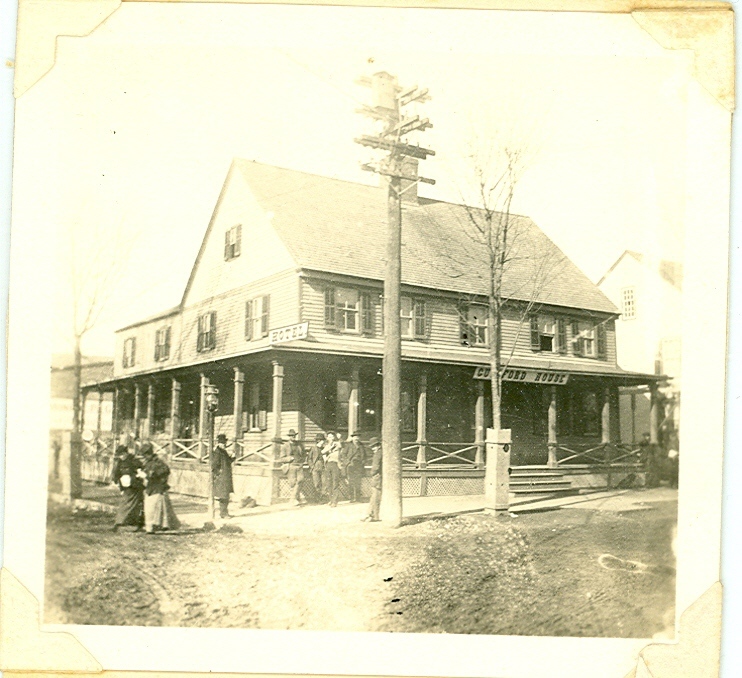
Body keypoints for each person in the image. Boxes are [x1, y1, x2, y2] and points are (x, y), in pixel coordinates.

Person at [140, 443, 180, 534]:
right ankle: (151, 527)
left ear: (149, 454)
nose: (145, 457)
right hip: (150, 488)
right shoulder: (148, 462)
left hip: (157, 488)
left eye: (146, 455)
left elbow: (165, 471)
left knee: (154, 509)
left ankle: (153, 527)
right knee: (149, 509)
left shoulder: (158, 462)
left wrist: (150, 475)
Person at [111, 445, 144, 532]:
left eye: (122, 454)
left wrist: (135, 477)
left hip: (135, 486)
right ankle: (119, 523)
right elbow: (116, 474)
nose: (121, 457)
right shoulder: (119, 462)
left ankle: (123, 523)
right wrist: (119, 486)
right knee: (126, 504)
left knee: (136, 506)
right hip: (126, 487)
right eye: (119, 455)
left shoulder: (134, 461)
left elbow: (141, 472)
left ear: (126, 453)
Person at [280, 429, 306, 505]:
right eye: (291, 436)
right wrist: (289, 458)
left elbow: (304, 454)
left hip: (299, 465)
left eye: (294, 435)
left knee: (301, 480)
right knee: (293, 483)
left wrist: (302, 461)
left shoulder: (299, 445)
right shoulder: (285, 446)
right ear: (289, 437)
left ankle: (293, 499)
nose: (293, 437)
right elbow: (281, 458)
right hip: (291, 465)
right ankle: (295, 499)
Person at [211, 433, 234, 518]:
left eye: (224, 442)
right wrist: (218, 473)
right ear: (220, 443)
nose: (225, 444)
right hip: (222, 478)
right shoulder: (218, 452)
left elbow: (227, 462)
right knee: (223, 496)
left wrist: (232, 458)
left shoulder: (223, 451)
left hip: (226, 477)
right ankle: (223, 514)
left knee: (226, 496)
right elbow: (214, 465)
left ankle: (224, 513)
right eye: (223, 443)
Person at [362, 437, 382, 522]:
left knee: (375, 497)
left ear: (378, 445)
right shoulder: (381, 452)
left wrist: (371, 473)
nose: (373, 448)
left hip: (377, 477)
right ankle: (370, 514)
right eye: (372, 447)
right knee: (375, 497)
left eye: (374, 446)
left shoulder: (378, 454)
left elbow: (375, 467)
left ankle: (374, 516)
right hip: (379, 477)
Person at [344, 431, 367, 503]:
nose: (356, 438)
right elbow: (343, 455)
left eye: (358, 437)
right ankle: (351, 498)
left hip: (359, 466)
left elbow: (365, 455)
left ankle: (358, 498)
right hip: (351, 465)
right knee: (351, 482)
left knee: (358, 482)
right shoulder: (348, 445)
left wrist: (363, 461)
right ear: (352, 438)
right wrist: (348, 462)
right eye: (355, 437)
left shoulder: (361, 445)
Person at [323, 431, 343, 508]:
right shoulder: (327, 446)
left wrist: (339, 438)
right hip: (328, 464)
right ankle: (331, 500)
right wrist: (330, 448)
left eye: (332, 437)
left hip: (335, 464)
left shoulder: (337, 444)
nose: (331, 438)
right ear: (327, 438)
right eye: (329, 437)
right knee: (329, 483)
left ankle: (335, 501)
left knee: (335, 482)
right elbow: (323, 452)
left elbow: (341, 446)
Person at [307, 432, 327, 502]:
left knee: (324, 483)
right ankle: (318, 499)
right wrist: (312, 466)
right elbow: (309, 459)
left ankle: (323, 498)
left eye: (323, 440)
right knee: (316, 483)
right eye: (322, 440)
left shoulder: (324, 449)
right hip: (315, 468)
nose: (323, 442)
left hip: (323, 467)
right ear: (318, 440)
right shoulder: (313, 448)